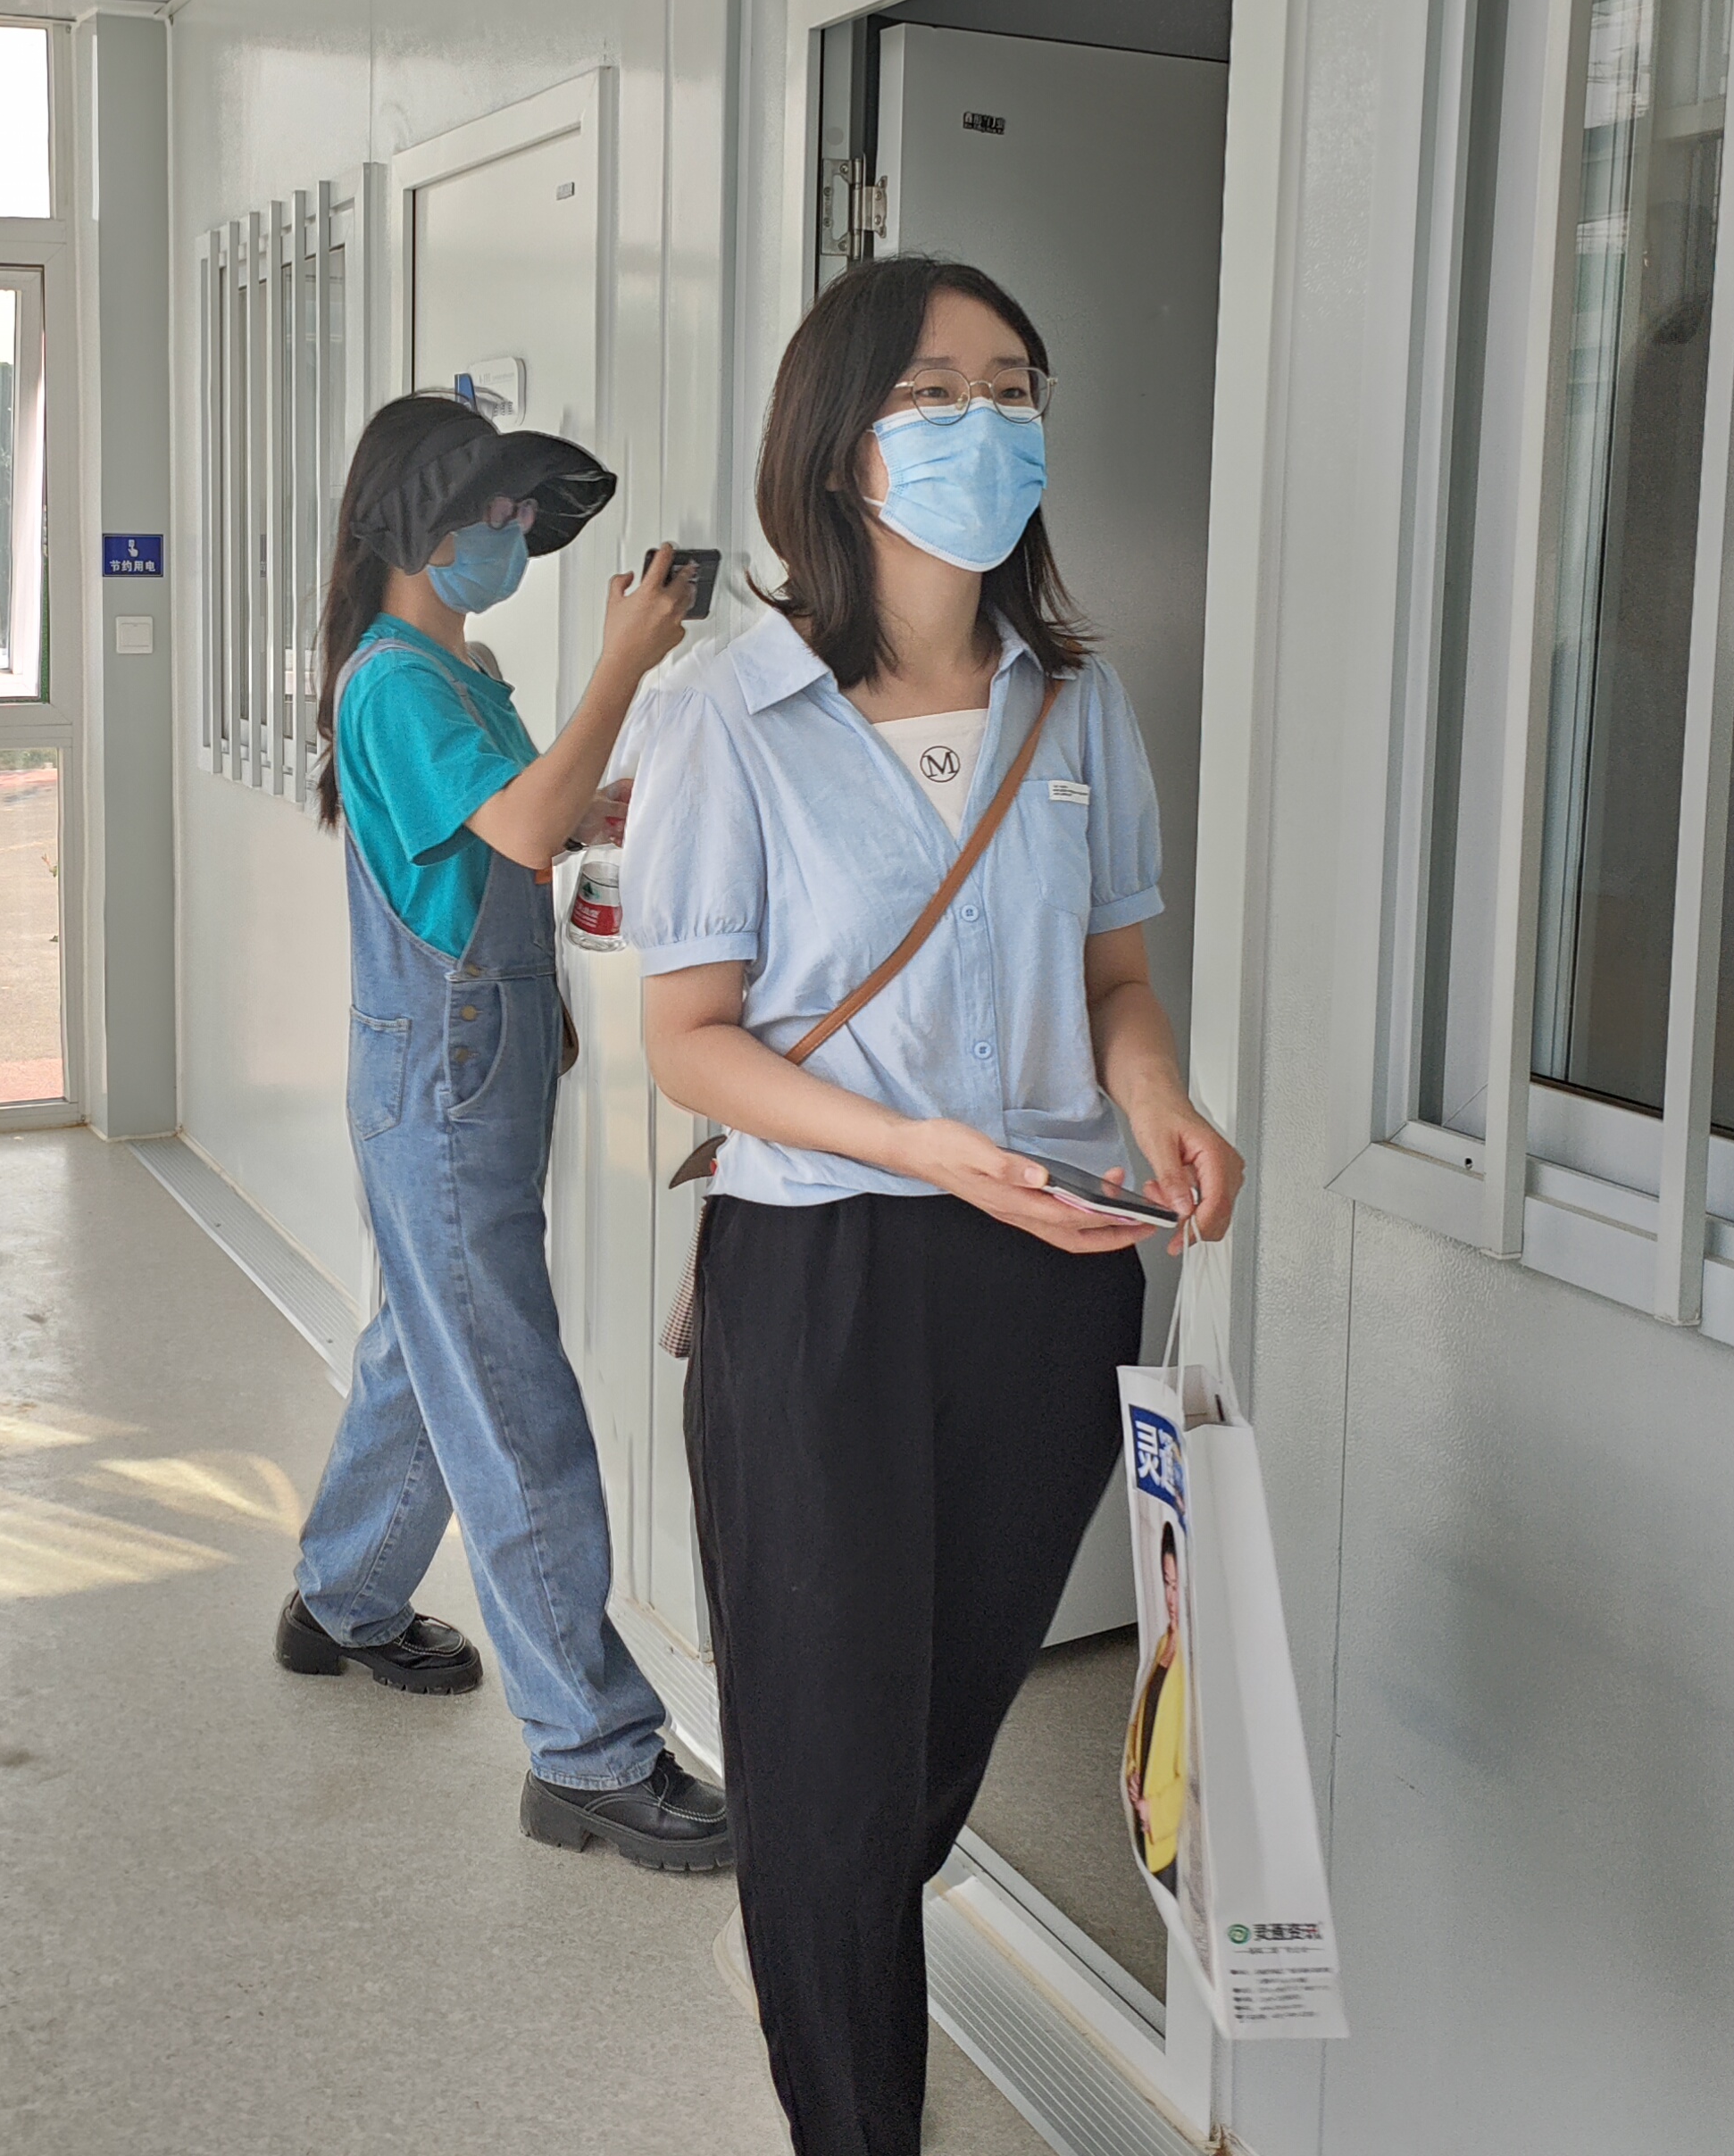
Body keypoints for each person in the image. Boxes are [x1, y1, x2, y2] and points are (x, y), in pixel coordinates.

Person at [628, 254, 1243, 2156]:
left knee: (932, 1734)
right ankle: (847, 2094)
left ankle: (810, 1935)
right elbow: (689, 1040)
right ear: (839, 439)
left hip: (1049, 1275)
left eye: (1014, 388)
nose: (987, 424)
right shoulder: (727, 708)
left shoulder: (1075, 704)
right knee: (825, 1747)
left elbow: (1115, 980)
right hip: (822, 1267)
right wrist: (927, 1148)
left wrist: (1156, 1098)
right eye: (934, 392)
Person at [273, 392, 732, 1871]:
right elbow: (521, 834)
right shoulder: (394, 681)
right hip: (446, 1075)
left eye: (525, 516)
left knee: (431, 1343)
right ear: (419, 521)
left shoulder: (457, 669)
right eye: (495, 511)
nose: (516, 535)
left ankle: (341, 1598)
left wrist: (604, 797)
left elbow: (526, 820)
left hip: (480, 1059)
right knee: (509, 1398)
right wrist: (622, 664)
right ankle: (589, 1751)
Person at [1123, 1524, 1189, 1894]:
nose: (1171, 1597)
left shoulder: (1200, 1665)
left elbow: (1206, 1772)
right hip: (1145, 1811)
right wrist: (1134, 1770)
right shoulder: (1166, 1642)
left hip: (1172, 1831)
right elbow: (1144, 1721)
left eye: (1179, 1586)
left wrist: (1157, 1811)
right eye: (1167, 1583)